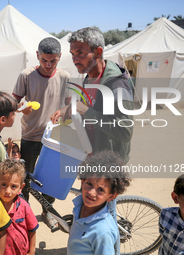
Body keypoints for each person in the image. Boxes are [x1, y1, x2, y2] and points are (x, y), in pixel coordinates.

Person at [51, 27, 133, 163]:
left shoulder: (117, 83)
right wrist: (71, 108)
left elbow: (124, 131)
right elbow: (90, 105)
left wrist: (86, 111)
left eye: (80, 53)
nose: (75, 59)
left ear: (98, 52)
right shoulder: (88, 78)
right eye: (72, 54)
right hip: (90, 157)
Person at [12, 37, 71, 229]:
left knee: (50, 179)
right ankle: (25, 212)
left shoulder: (65, 77)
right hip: (30, 135)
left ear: (60, 57)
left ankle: (48, 212)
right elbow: (14, 102)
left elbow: (72, 104)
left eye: (52, 60)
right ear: (37, 56)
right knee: (25, 177)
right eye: (44, 60)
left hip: (54, 138)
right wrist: (21, 108)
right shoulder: (26, 75)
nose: (48, 64)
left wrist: (62, 111)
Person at [67, 150, 131, 255]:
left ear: (111, 196)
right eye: (89, 183)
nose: (91, 192)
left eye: (100, 190)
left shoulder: (102, 232)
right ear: (82, 181)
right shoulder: (80, 206)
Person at [0, 158, 38, 255]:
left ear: (21, 188)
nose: (8, 191)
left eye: (13, 186)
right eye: (4, 185)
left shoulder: (24, 206)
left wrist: (32, 251)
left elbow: (32, 230)